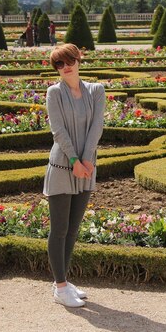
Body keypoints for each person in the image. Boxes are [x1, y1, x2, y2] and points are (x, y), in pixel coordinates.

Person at [43, 44, 105, 308]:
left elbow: (97, 125)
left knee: (73, 229)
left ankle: (64, 282)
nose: (65, 67)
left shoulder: (96, 90)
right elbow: (57, 130)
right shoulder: (54, 92)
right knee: (59, 229)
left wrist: (86, 159)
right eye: (59, 64)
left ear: (79, 59)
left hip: (87, 166)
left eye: (69, 60)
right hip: (62, 165)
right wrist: (73, 160)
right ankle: (60, 286)